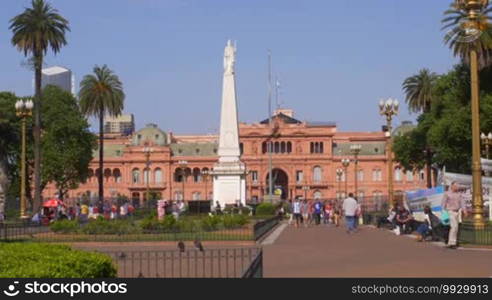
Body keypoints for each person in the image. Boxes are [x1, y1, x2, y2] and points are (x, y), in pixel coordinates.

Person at [442, 181, 468, 249]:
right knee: (454, 227)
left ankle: (451, 242)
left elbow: (462, 203)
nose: (457, 187)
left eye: (458, 186)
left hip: (457, 212)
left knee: (455, 228)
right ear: (452, 186)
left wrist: (464, 211)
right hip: (449, 212)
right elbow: (443, 204)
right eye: (456, 186)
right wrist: (444, 213)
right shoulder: (447, 194)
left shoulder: (459, 194)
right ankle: (452, 243)